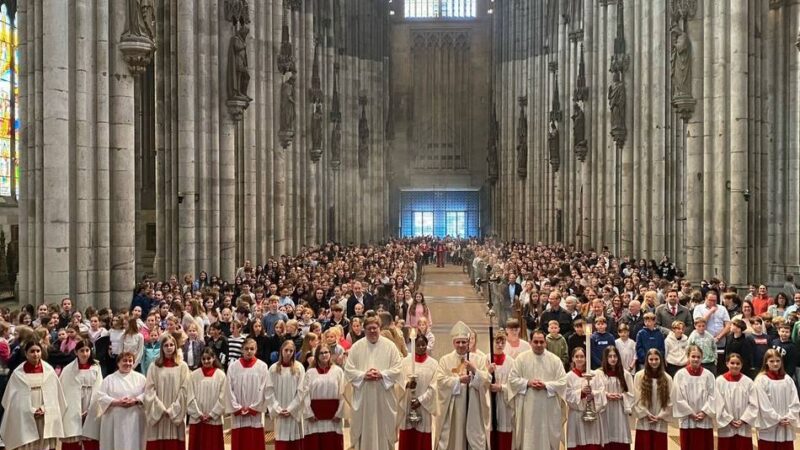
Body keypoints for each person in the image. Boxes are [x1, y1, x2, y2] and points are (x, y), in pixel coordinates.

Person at [343, 316, 403, 450]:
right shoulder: (357, 347)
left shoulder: (390, 346)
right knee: (364, 431)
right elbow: (349, 370)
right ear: (364, 330)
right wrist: (363, 375)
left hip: (384, 397)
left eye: (375, 328)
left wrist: (382, 374)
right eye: (369, 329)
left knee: (383, 429)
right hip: (363, 398)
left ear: (379, 329)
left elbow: (398, 368)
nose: (372, 331)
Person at [507, 329, 567, 450]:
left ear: (546, 343)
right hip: (528, 408)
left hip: (548, 407)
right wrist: (527, 383)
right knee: (529, 438)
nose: (539, 345)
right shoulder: (521, 359)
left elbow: (563, 382)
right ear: (530, 342)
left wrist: (546, 385)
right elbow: (512, 380)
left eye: (541, 342)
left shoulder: (555, 360)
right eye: (536, 342)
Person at [0, 340, 66, 450]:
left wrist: (45, 408)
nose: (35, 354)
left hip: (45, 414)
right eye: (32, 351)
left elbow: (55, 396)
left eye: (38, 351)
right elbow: (12, 401)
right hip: (25, 415)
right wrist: (31, 410)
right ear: (26, 354)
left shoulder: (49, 371)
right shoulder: (18, 374)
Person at [434, 321, 490, 450]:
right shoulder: (445, 360)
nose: (461, 345)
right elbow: (440, 381)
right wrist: (458, 381)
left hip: (473, 408)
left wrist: (475, 370)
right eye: (458, 342)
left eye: (464, 342)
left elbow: (487, 380)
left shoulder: (478, 359)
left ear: (468, 342)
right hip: (453, 411)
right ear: (453, 343)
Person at [144, 334, 191, 450]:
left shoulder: (182, 366)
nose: (169, 347)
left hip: (176, 412)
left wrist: (173, 409)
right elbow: (149, 389)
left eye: (171, 345)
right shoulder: (154, 366)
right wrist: (161, 408)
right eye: (166, 345)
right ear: (161, 348)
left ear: (175, 346)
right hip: (159, 413)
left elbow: (185, 390)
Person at [94, 352, 147, 450]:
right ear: (118, 363)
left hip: (135, 418)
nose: (128, 363)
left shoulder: (141, 378)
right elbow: (101, 396)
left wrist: (136, 400)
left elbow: (147, 394)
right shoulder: (109, 379)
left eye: (130, 361)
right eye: (124, 360)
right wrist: (117, 402)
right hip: (115, 418)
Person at [225, 338, 270, 450]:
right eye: (246, 349)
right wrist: (237, 408)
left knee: (255, 442)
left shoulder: (262, 367)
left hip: (255, 414)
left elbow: (264, 389)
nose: (249, 351)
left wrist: (253, 408)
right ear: (242, 350)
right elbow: (228, 389)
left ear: (256, 350)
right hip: (239, 413)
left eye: (252, 349)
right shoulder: (233, 366)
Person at [752, 348, 800, 450]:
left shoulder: (787, 379)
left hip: (786, 424)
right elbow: (763, 404)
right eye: (772, 361)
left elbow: (795, 401)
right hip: (769, 425)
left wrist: (789, 416)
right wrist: (777, 418)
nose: (775, 364)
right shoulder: (761, 380)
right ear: (766, 362)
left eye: (778, 361)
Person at [397, 334, 438, 450]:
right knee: (407, 437)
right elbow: (399, 380)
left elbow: (434, 386)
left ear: (427, 345)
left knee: (422, 436)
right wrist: (407, 384)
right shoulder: (405, 362)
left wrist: (420, 400)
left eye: (423, 345)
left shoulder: (433, 364)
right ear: (413, 346)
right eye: (418, 345)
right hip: (407, 403)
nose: (421, 347)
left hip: (424, 406)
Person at [60, 339, 102, 450]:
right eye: (82, 350)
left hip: (90, 402)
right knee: (73, 437)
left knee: (90, 436)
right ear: (76, 352)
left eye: (87, 350)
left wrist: (91, 408)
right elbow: (64, 390)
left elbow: (99, 388)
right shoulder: (68, 369)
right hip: (74, 403)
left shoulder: (96, 368)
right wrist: (75, 409)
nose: (85, 353)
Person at [301, 345, 345, 450]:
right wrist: (309, 413)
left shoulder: (338, 371)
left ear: (330, 354)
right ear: (316, 355)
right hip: (314, 419)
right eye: (321, 353)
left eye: (326, 352)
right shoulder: (310, 373)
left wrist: (339, 413)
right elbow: (304, 394)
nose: (324, 355)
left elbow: (342, 394)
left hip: (333, 419)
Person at [672, 345, 715, 450]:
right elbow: (677, 397)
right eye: (693, 356)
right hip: (688, 419)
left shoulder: (708, 375)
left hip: (704, 419)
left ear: (702, 357)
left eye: (698, 357)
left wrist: (704, 412)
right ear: (688, 357)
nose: (696, 359)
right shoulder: (680, 375)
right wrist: (690, 413)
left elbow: (713, 396)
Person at [714, 353, 758, 450]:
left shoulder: (748, 382)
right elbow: (718, 403)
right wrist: (729, 419)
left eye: (738, 363)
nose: (735, 366)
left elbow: (753, 404)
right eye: (732, 363)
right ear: (727, 364)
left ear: (741, 365)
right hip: (726, 425)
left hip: (743, 425)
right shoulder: (719, 381)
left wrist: (743, 420)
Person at [267, 340, 305, 450]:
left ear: (294, 352)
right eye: (286, 350)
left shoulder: (299, 368)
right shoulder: (273, 369)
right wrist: (277, 409)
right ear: (281, 351)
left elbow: (301, 390)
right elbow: (269, 391)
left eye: (291, 351)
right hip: (280, 413)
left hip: (294, 414)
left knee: (296, 444)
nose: (288, 353)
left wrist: (291, 408)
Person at [565, 346, 605, 450]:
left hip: (592, 413)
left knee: (592, 443)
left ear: (586, 358)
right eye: (576, 356)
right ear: (572, 359)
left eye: (582, 356)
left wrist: (593, 395)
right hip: (577, 416)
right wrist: (581, 393)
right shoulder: (568, 376)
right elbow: (567, 396)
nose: (579, 359)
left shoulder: (595, 375)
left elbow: (602, 392)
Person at [632, 349, 672, 450]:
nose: (654, 362)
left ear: (661, 360)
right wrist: (646, 413)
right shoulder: (639, 376)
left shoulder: (667, 378)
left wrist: (660, 415)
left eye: (656, 359)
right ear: (647, 360)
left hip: (660, 419)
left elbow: (670, 401)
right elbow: (636, 398)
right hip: (645, 419)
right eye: (651, 359)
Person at [187, 348, 226, 450]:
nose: (206, 361)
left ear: (214, 358)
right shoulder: (193, 375)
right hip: (197, 420)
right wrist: (198, 414)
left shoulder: (221, 375)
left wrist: (212, 414)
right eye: (203, 359)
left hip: (214, 419)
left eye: (209, 358)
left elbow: (223, 397)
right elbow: (190, 396)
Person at [596, 346, 634, 450]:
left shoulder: (626, 374)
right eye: (610, 356)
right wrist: (605, 395)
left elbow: (631, 394)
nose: (613, 359)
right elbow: (595, 392)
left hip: (620, 411)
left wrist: (622, 396)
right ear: (605, 358)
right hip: (605, 410)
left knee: (620, 435)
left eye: (615, 356)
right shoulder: (599, 374)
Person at [487, 330, 514, 450]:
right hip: (489, 400)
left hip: (504, 402)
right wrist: (488, 373)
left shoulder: (510, 362)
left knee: (504, 429)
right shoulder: (486, 358)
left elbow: (514, 384)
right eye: (497, 342)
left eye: (502, 342)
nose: (499, 345)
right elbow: (480, 379)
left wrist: (501, 387)